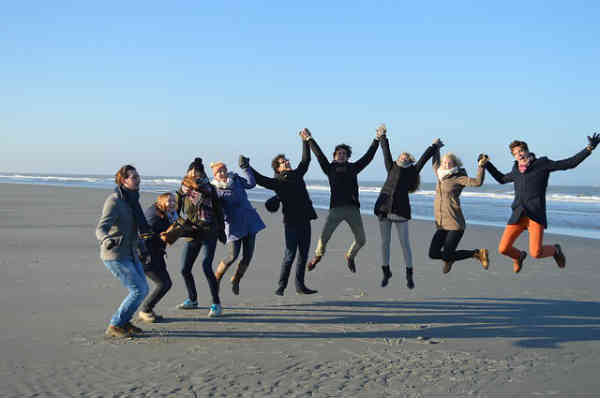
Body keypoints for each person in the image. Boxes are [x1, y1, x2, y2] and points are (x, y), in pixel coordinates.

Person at [484, 133, 599, 273]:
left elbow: (569, 163)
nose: (519, 155)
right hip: (518, 214)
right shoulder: (515, 170)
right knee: (503, 249)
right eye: (515, 153)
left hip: (535, 215)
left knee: (536, 253)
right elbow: (501, 179)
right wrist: (487, 164)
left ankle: (555, 249)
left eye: (521, 151)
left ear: (527, 150)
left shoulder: (542, 164)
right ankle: (519, 256)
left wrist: (589, 149)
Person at [249, 129, 318, 296]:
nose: (286, 162)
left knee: (303, 255)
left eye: (287, 160)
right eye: (282, 162)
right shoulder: (278, 182)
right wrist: (247, 167)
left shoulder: (298, 174)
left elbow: (306, 160)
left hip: (305, 221)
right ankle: (281, 286)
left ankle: (300, 286)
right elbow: (262, 180)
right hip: (291, 223)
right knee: (290, 255)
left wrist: (305, 141)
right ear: (278, 168)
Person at [306, 127, 381, 273]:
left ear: (348, 157)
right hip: (336, 209)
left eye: (344, 154)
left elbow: (368, 157)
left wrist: (376, 139)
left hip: (353, 209)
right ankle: (317, 256)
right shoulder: (329, 168)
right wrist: (309, 139)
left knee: (361, 240)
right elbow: (319, 155)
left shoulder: (353, 168)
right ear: (334, 156)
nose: (341, 155)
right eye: (339, 153)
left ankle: (350, 256)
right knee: (323, 236)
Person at [374, 124, 438, 289]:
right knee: (385, 243)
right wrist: (382, 136)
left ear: (409, 160)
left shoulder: (413, 171)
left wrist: (434, 146)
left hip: (401, 211)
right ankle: (386, 271)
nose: (402, 157)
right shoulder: (391, 167)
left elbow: (423, 159)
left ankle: (409, 274)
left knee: (405, 244)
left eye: (405, 156)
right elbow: (385, 152)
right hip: (384, 209)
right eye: (401, 155)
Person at [96, 165, 151, 338]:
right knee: (138, 289)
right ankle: (115, 325)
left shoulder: (133, 200)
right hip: (115, 254)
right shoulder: (114, 201)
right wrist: (106, 240)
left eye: (138, 176)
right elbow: (100, 228)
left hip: (131, 252)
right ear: (123, 180)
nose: (138, 179)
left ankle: (125, 322)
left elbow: (136, 229)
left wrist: (143, 249)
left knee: (143, 289)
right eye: (133, 177)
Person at [174, 158, 226, 317]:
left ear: (202, 173)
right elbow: (175, 212)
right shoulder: (183, 190)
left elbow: (218, 210)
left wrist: (222, 231)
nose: (194, 175)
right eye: (191, 171)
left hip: (209, 231)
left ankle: (216, 304)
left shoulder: (209, 189)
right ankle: (192, 299)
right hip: (192, 232)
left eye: (197, 172)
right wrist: (182, 225)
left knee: (206, 266)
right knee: (184, 269)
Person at [428, 145, 490, 273]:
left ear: (454, 165)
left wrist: (481, 166)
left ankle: (477, 253)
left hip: (454, 222)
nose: (445, 164)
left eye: (449, 163)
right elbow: (435, 163)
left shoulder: (458, 178)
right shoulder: (439, 174)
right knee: (433, 253)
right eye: (444, 162)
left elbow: (477, 182)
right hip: (441, 224)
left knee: (447, 254)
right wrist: (436, 147)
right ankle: (450, 259)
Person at [210, 158, 265, 295]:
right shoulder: (214, 190)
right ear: (215, 175)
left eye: (223, 170)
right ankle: (216, 279)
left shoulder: (236, 179)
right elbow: (215, 210)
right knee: (232, 256)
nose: (222, 173)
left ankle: (236, 279)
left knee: (248, 256)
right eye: (219, 172)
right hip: (233, 225)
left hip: (249, 221)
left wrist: (246, 168)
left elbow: (251, 184)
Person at [137, 192, 177, 323]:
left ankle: (147, 309)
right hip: (147, 256)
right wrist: (161, 236)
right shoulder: (153, 215)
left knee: (165, 283)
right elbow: (144, 234)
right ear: (161, 202)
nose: (172, 203)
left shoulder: (169, 214)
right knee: (163, 283)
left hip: (157, 254)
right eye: (169, 201)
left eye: (173, 201)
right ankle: (145, 310)